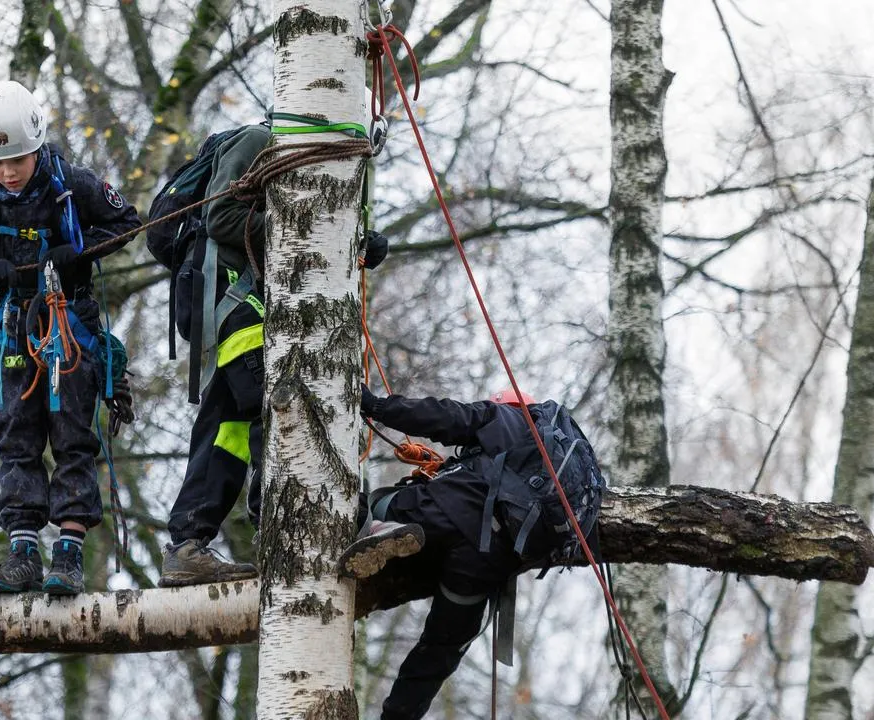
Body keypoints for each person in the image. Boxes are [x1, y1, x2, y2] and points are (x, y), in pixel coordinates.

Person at [157, 108, 391, 587]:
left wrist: (352, 242)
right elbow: (222, 217)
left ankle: (187, 543)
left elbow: (296, 223)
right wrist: (314, 234)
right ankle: (285, 528)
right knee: (280, 401)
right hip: (230, 301)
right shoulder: (259, 141)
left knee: (226, 429)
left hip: (241, 303)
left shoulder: (302, 163)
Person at [0, 80, 140, 596]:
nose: (8, 173)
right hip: (9, 332)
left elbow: (127, 221)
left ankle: (69, 554)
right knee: (15, 436)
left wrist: (78, 253)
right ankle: (23, 550)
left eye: (18, 161)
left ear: (36, 147)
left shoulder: (72, 184)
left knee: (73, 433)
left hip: (67, 324)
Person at [344, 385, 606, 720]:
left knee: (371, 504)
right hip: (486, 565)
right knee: (443, 646)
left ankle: (384, 528)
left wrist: (376, 406)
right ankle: (398, 716)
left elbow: (447, 417)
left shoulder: (511, 418)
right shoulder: (565, 468)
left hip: (445, 514)